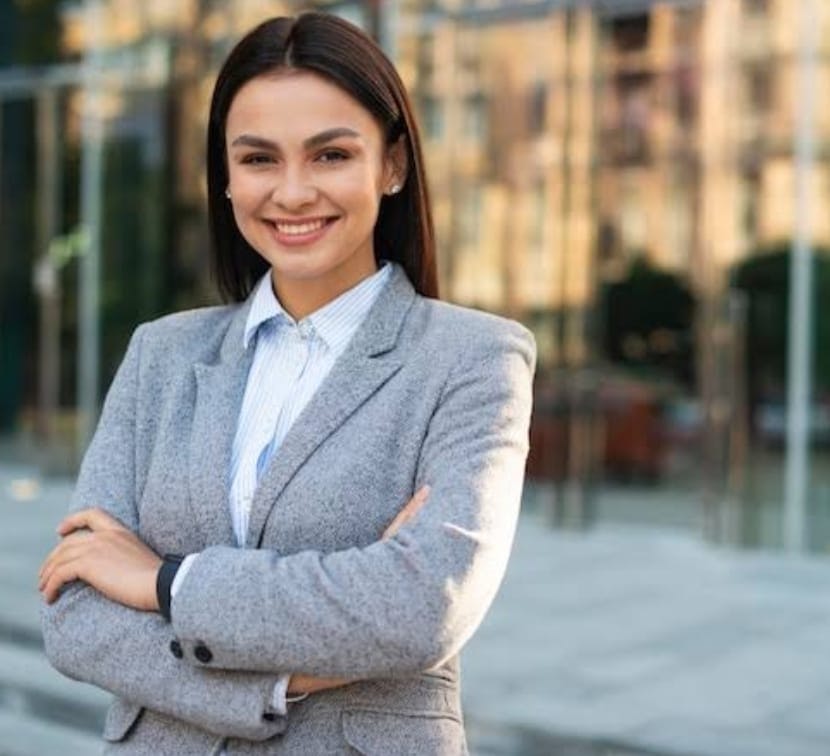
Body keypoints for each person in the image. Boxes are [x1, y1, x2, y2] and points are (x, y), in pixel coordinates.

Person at [39, 11, 535, 755]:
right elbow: (75, 616)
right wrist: (284, 681)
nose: (293, 192)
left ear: (392, 165)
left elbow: (420, 606)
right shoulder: (161, 355)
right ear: (227, 178)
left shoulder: (473, 358)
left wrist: (164, 584)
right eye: (259, 159)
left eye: (331, 154)